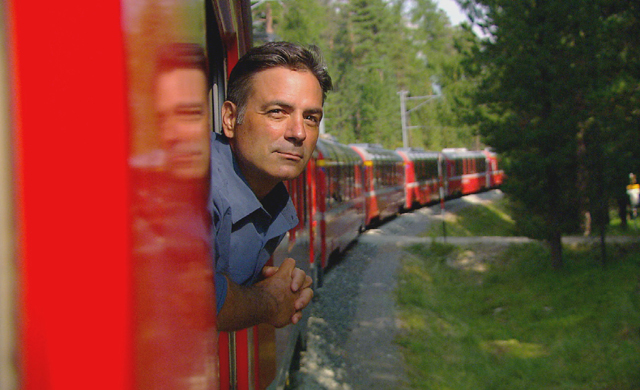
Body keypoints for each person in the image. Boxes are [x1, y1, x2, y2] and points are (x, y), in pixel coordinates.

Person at [211, 42, 333, 331]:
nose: (299, 133)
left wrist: (267, 284)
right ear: (230, 119)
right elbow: (188, 301)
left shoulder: (270, 198)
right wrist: (269, 300)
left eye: (311, 118)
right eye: (277, 112)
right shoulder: (193, 189)